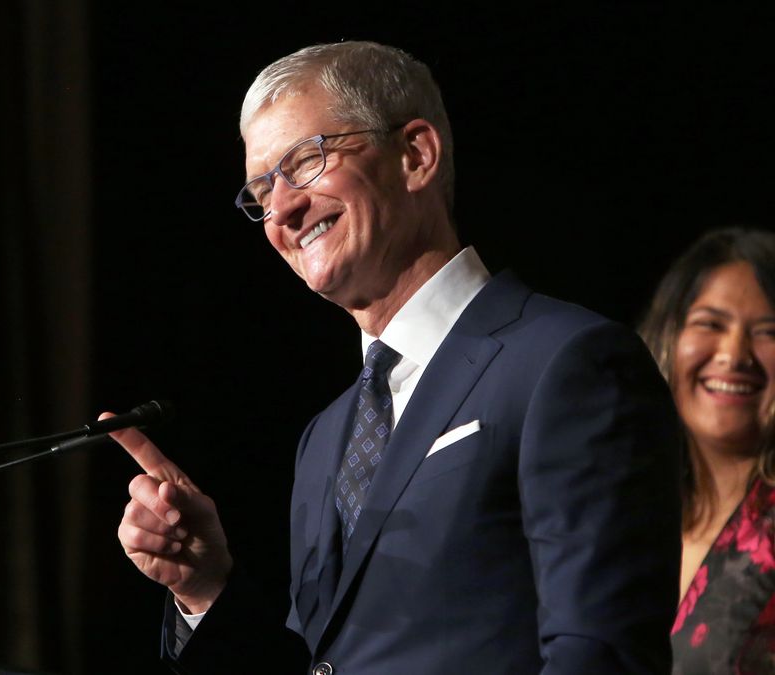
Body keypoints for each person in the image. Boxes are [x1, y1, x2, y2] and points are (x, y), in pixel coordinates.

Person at [107, 41, 682, 674]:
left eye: (305, 161)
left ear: (415, 155)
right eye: (262, 193)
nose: (283, 212)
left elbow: (597, 652)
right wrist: (204, 589)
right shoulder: (324, 438)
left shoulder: (565, 363)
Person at [638, 228, 775, 674]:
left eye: (768, 332)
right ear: (667, 338)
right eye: (710, 324)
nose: (734, 355)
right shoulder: (619, 512)